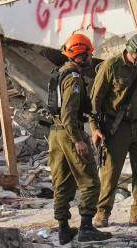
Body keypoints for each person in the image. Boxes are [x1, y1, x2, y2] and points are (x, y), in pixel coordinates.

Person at [92, 34, 137, 228]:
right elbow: (96, 100)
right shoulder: (111, 66)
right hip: (115, 126)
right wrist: (95, 128)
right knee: (110, 172)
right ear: (131, 52)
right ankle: (102, 213)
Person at [51, 33, 112, 245]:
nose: (90, 58)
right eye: (87, 54)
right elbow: (69, 113)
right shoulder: (74, 79)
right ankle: (86, 227)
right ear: (80, 56)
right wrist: (78, 139)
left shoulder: (59, 73)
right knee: (90, 182)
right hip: (70, 133)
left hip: (55, 134)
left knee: (62, 183)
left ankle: (63, 229)